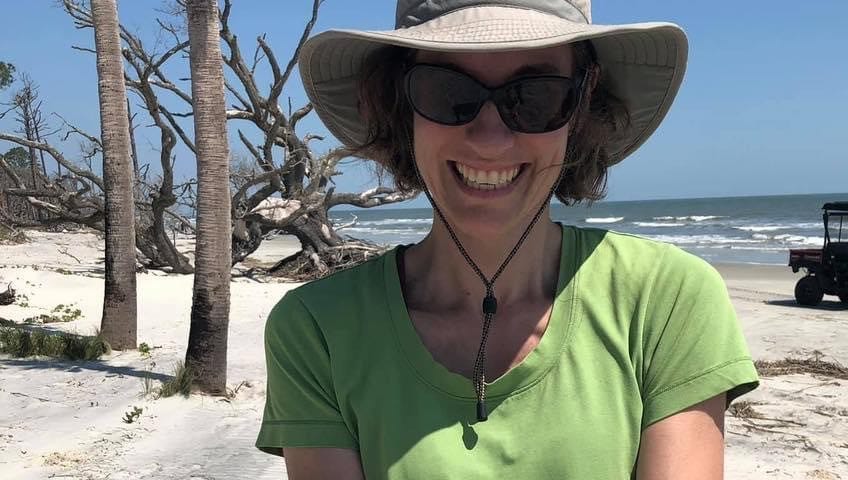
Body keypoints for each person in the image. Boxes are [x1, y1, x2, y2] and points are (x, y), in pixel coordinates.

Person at [256, 1, 760, 478]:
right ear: (399, 106)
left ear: (582, 109)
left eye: (536, 96)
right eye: (447, 92)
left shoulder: (665, 299)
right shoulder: (318, 330)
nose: (490, 138)